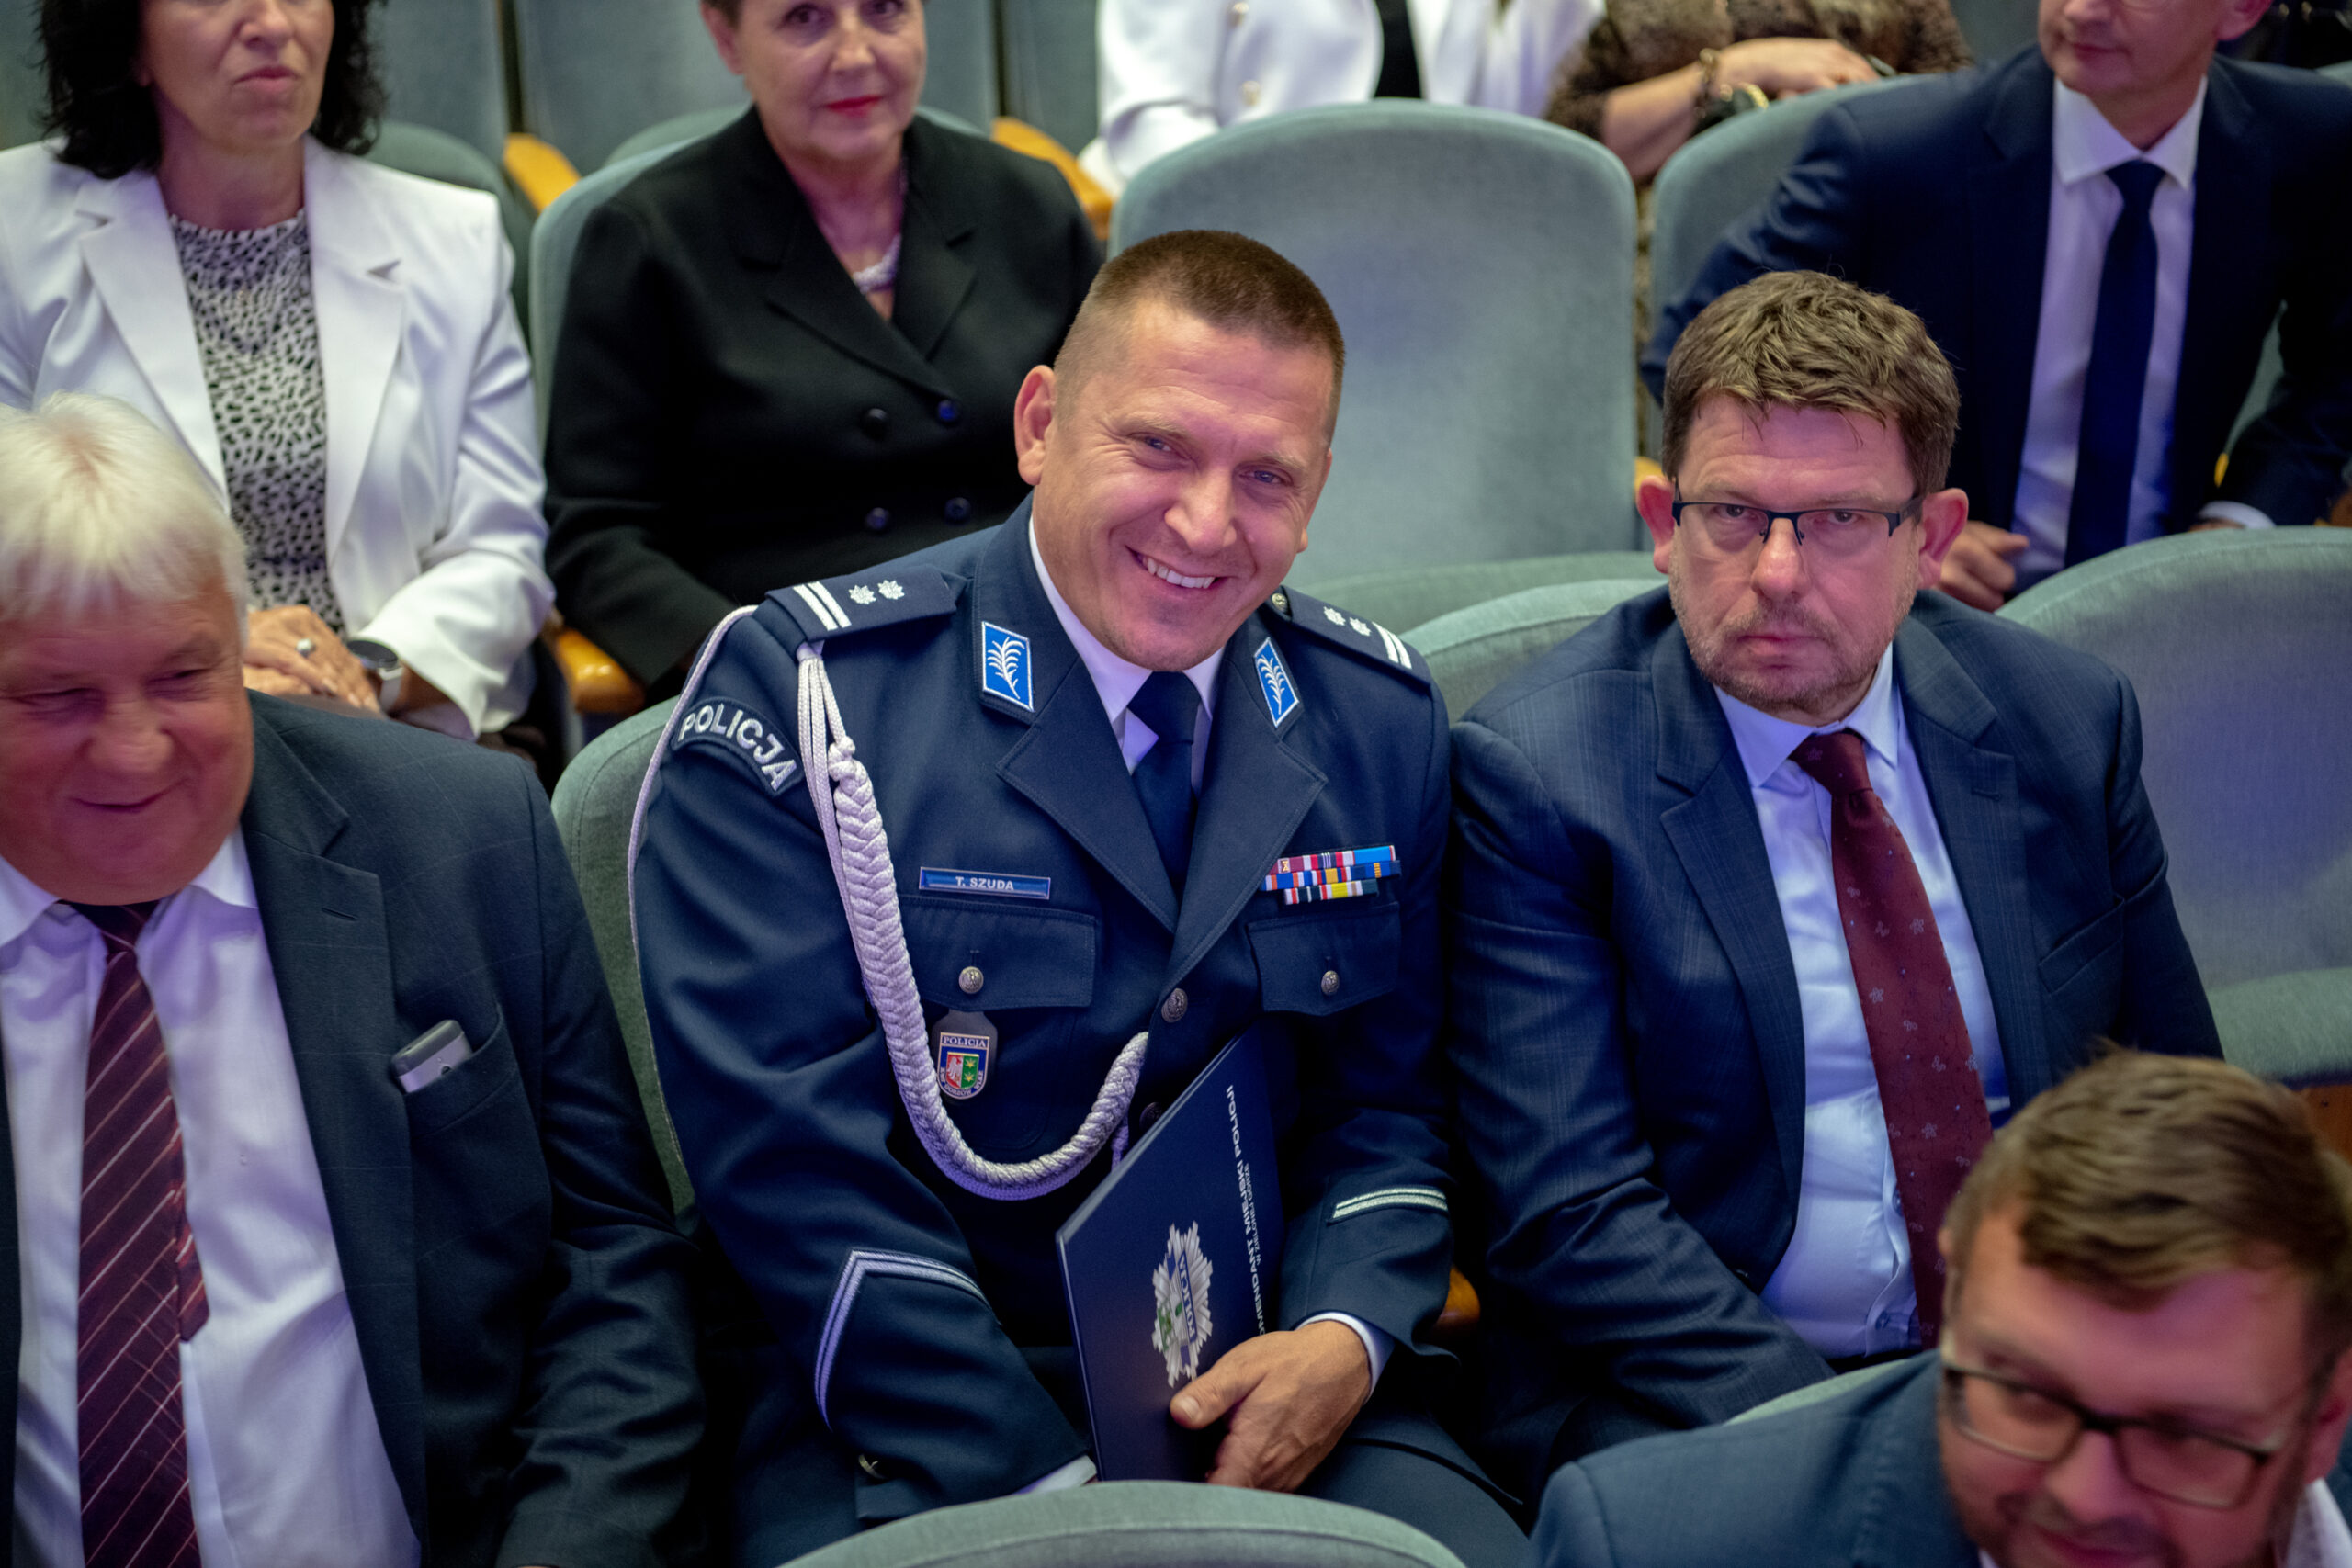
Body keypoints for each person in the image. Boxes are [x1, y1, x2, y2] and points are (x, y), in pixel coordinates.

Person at [630, 229, 1524, 1566]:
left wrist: (1340, 1336)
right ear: (1040, 425)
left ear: (1317, 492)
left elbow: (1387, 1107)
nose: (1207, 523)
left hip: (1267, 1371)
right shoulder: (813, 701)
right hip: (904, 1397)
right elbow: (791, 1171)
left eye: (1267, 475)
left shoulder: (1373, 721)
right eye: (1157, 445)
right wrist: (1058, 1499)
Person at [1445, 270, 2220, 1503]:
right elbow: (1570, 1214)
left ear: (1934, 539)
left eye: (1842, 519)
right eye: (1732, 514)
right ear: (1662, 522)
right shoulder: (1542, 774)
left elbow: (2178, 1099)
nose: (1776, 572)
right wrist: (1865, 1443)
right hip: (1693, 1388)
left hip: (2049, 1362)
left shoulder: (2065, 723)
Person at [0, 393, 702, 1564]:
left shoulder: (458, 842)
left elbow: (614, 1273)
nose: (131, 749)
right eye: (56, 697)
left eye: (184, 676)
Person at [1526, 1049, 2352, 1568]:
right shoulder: (1652, 1548)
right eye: (2023, 1392)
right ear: (1954, 1310)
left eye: (2180, 1433)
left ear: (2323, 1419)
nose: (2087, 1496)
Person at [1646, 0, 2352, 605]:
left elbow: (2338, 369)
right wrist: (1885, 523)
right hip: (1937, 611)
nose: (2080, 10)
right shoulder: (1896, 154)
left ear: (2243, 8)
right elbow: (1696, 350)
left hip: (2177, 601)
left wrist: (2244, 518)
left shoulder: (2313, 140)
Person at [0, 0, 551, 741]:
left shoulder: (456, 239)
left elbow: (502, 549)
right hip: (122, 737)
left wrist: (359, 670)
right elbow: (15, 558)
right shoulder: (12, 233)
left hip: (392, 724)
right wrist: (212, 657)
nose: (270, 22)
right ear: (127, 38)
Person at [544, 0, 1102, 699]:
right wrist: (748, 662)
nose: (856, 55)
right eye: (805, 18)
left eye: (885, 10)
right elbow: (597, 536)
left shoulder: (1028, 202)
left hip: (1027, 651)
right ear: (726, 37)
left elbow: (1108, 452)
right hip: (790, 678)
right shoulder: (650, 240)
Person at [1082, 0, 1605, 196]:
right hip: (1241, 230)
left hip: (1424, 224)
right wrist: (1282, 224)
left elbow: (1497, 121)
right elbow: (1151, 119)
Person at [1547, 0, 1972, 185]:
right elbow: (1570, 145)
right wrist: (1740, 69)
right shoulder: (1637, 15)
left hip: (1858, 196)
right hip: (1677, 233)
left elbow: (1959, 112)